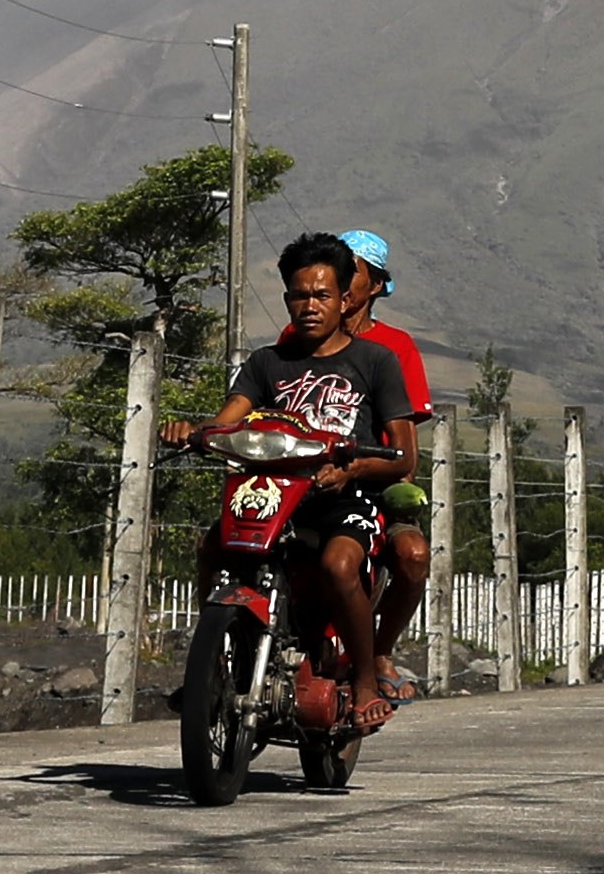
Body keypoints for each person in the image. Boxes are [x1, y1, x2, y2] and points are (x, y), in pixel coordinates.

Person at [167, 234, 415, 731]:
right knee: (213, 545)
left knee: (340, 563)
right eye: (299, 295)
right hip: (277, 495)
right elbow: (228, 420)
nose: (309, 306)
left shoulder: (376, 362)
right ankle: (210, 667)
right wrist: (195, 433)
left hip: (346, 498)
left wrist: (354, 469)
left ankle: (365, 680)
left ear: (346, 299)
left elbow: (404, 457)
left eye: (322, 295)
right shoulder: (266, 363)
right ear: (286, 299)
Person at [328, 231, 437, 666]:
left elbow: (404, 447)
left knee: (412, 556)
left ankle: (379, 652)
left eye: (348, 273)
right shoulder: (298, 337)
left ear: (374, 286)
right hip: (306, 480)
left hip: (374, 486)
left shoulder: (397, 348)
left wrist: (379, 474)